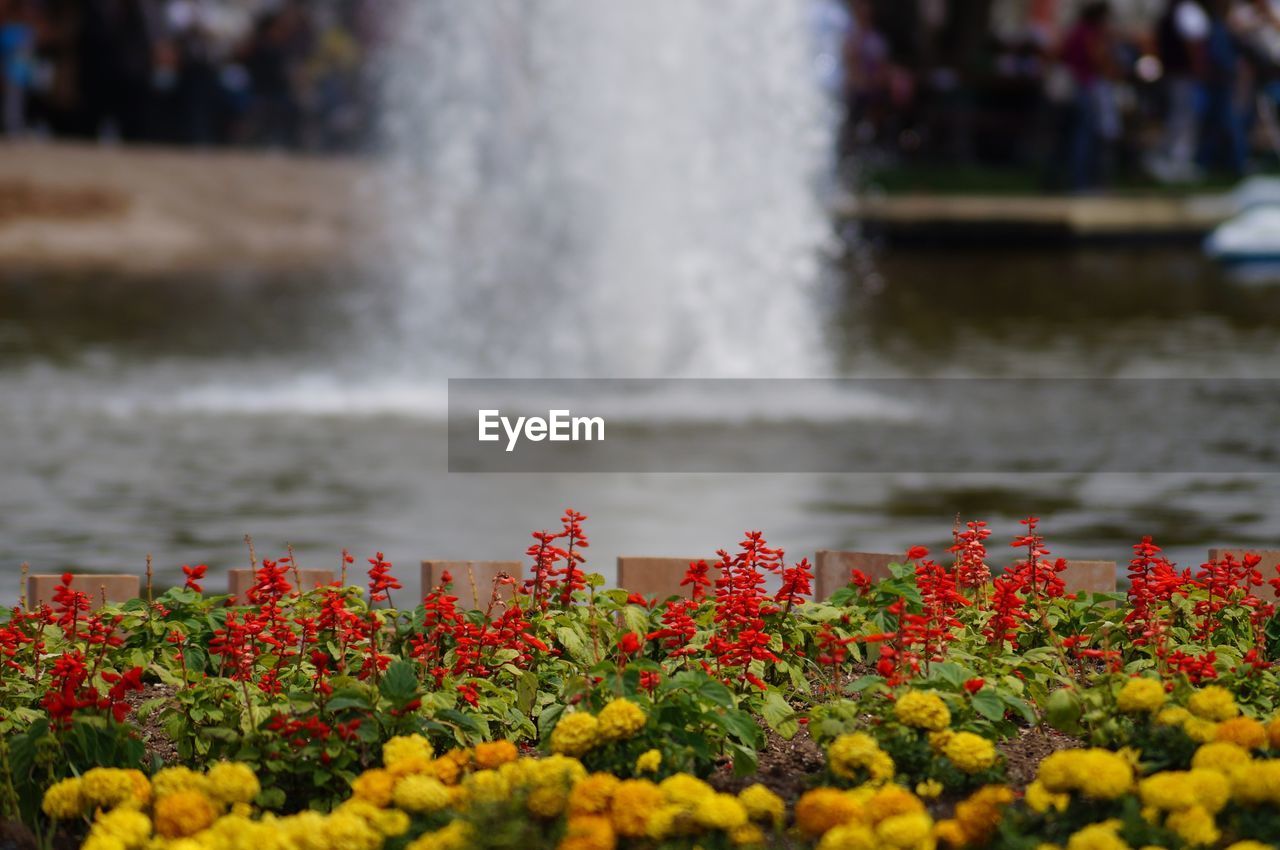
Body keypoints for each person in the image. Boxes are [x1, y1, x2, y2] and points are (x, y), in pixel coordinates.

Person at [1060, 1, 1119, 190]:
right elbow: (1097, 59)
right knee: (1086, 137)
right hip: (1086, 87)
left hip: (1079, 87)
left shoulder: (1076, 31)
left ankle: (1079, 180)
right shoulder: (1088, 34)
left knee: (1078, 135)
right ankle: (1082, 182)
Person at [1153, 0, 1209, 182]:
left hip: (1176, 72)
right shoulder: (1184, 10)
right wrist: (1197, 68)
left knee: (1181, 116)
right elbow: (1191, 43)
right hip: (1183, 73)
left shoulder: (1172, 11)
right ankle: (1176, 159)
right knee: (1182, 117)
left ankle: (1177, 159)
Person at [1198, 0, 1246, 176]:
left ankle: (1232, 162)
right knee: (1224, 123)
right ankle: (1231, 163)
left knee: (1225, 123)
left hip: (1224, 83)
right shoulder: (1217, 28)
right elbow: (1219, 60)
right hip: (1220, 84)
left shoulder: (1222, 28)